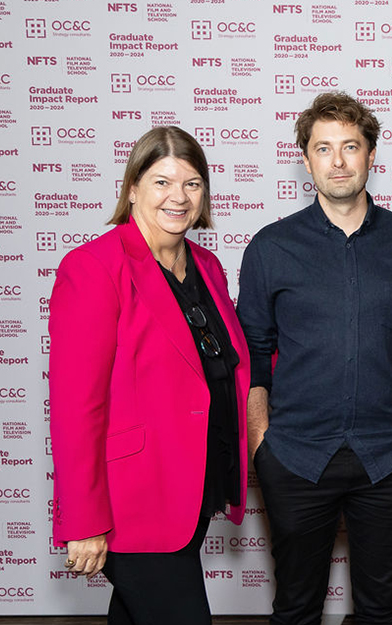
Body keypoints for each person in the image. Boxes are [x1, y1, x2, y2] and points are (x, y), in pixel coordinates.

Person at [237, 92, 392, 625]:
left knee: (380, 609)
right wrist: (263, 446)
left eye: (350, 147)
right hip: (295, 457)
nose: (337, 161)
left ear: (370, 155)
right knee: (296, 607)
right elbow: (253, 355)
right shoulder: (270, 247)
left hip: (390, 455)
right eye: (323, 148)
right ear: (305, 160)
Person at [48, 126, 250, 624]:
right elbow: (78, 407)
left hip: (192, 488)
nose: (178, 197)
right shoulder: (94, 267)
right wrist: (85, 522)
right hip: (132, 502)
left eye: (192, 184)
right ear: (133, 188)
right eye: (161, 182)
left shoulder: (207, 266)